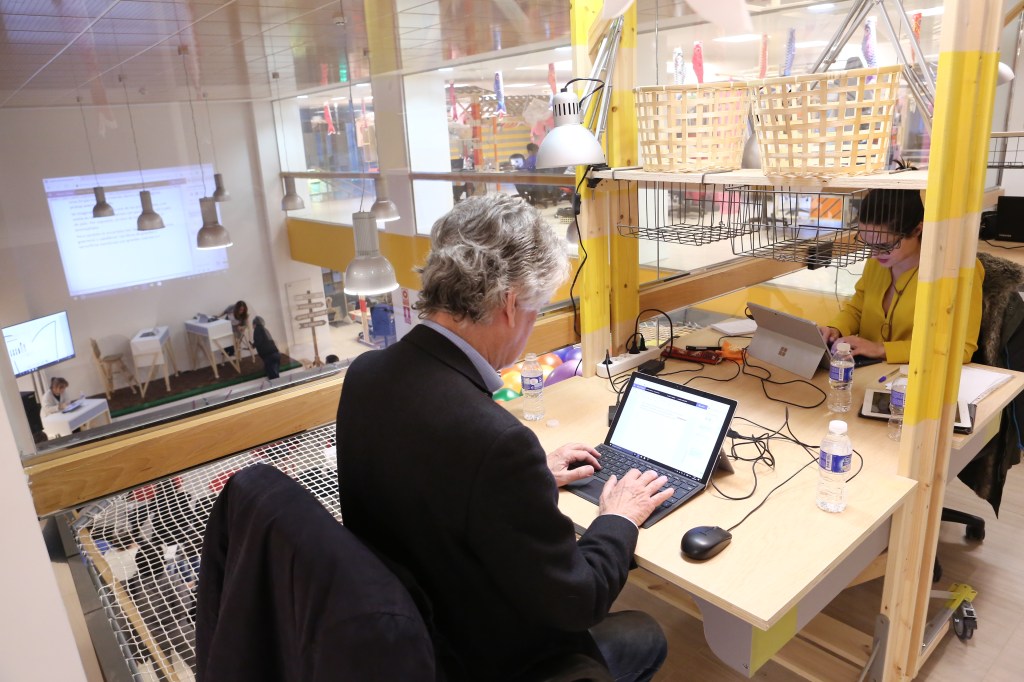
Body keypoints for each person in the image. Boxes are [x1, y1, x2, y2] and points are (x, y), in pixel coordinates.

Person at [336, 194, 670, 681]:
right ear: (512, 305)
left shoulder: (366, 375)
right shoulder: (495, 443)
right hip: (489, 657)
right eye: (538, 310)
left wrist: (529, 480)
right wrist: (619, 518)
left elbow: (430, 482)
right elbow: (579, 599)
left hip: (415, 636)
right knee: (647, 631)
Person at [818, 189, 984, 364]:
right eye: (868, 244)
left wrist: (881, 349)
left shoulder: (955, 271)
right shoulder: (879, 260)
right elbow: (858, 309)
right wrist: (835, 329)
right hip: (870, 373)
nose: (874, 254)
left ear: (917, 230)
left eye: (885, 245)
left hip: (916, 377)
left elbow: (961, 349)